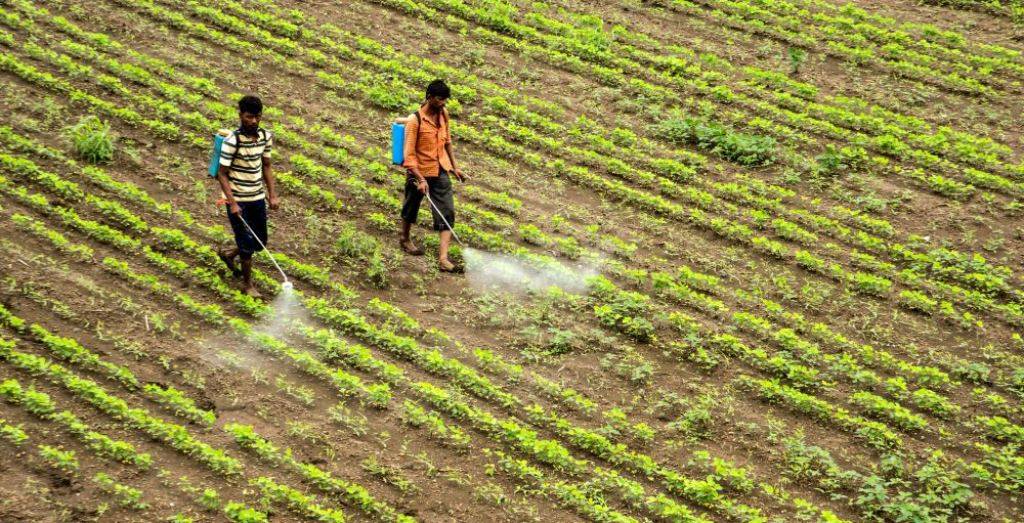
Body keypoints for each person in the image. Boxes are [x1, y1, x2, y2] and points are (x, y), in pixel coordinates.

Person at [399, 79, 468, 272]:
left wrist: (455, 167)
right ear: (429, 97)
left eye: (445, 100)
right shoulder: (415, 121)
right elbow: (408, 155)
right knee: (411, 207)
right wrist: (420, 179)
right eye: (439, 99)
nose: (443, 103)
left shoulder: (443, 114)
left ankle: (443, 259)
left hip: (440, 169)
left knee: (447, 211)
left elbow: (447, 143)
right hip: (419, 171)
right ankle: (404, 239)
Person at [216, 94, 279, 297]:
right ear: (240, 115)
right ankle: (247, 285)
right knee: (246, 245)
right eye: (249, 116)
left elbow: (267, 166)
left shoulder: (265, 137)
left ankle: (228, 254)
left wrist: (272, 195)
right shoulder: (232, 141)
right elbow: (222, 174)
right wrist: (232, 203)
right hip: (237, 199)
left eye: (257, 117)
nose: (253, 121)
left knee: (260, 241)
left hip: (257, 197)